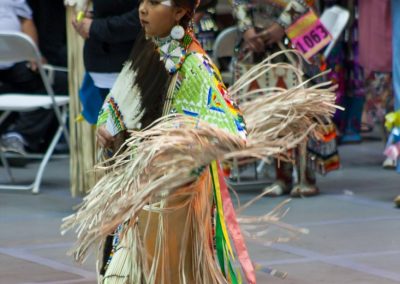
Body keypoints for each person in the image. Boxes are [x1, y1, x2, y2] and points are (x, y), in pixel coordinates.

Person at [62, 0, 337, 282]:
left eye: (155, 3)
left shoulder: (195, 65)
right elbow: (120, 99)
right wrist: (111, 127)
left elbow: (232, 129)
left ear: (180, 12)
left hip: (172, 198)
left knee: (165, 272)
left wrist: (172, 145)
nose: (143, 9)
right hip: (140, 190)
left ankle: (295, 175)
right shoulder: (148, 48)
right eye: (143, 1)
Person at [232, 0, 324, 197]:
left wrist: (282, 24)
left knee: (302, 107)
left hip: (297, 32)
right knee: (271, 107)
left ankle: (306, 175)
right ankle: (281, 175)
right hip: (259, 37)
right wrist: (247, 28)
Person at [0, 0, 57, 155]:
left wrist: (34, 54)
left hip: (14, 63)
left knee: (52, 82)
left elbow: (26, 20)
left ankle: (19, 136)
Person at [72, 0, 141, 124]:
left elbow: (138, 19)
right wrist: (91, 19)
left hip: (131, 69)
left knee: (128, 133)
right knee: (106, 133)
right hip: (101, 69)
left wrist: (95, 26)